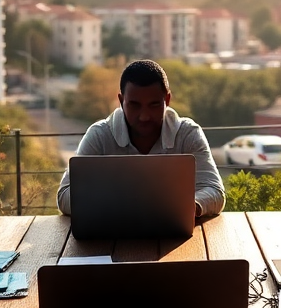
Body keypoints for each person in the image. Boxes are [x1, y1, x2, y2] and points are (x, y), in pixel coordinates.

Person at [56, 59, 224, 218]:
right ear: (121, 101)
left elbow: (214, 190)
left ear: (167, 100)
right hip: (110, 238)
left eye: (154, 105)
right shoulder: (100, 136)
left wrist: (191, 207)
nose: (144, 116)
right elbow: (65, 195)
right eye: (135, 105)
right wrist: (120, 206)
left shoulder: (187, 134)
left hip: (172, 238)